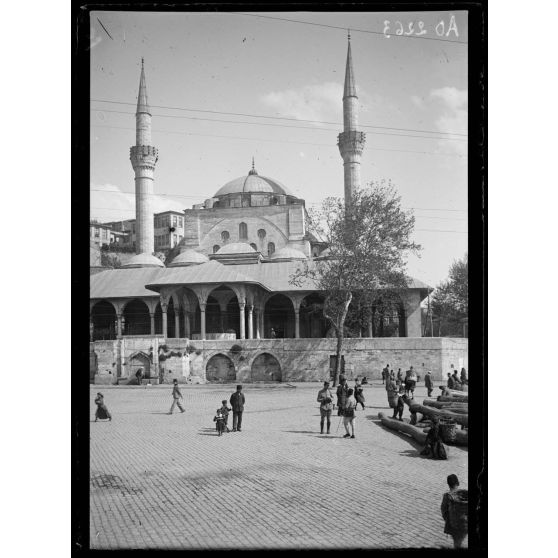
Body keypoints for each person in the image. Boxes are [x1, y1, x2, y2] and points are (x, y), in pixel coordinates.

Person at [441, 474, 468, 548]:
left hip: (454, 526)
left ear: (448, 484)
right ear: (458, 483)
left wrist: (451, 519)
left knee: (457, 544)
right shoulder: (465, 495)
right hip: (465, 525)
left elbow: (444, 511)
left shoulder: (447, 496)